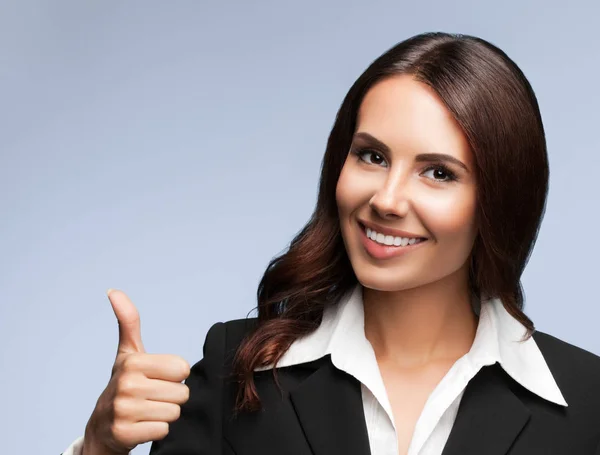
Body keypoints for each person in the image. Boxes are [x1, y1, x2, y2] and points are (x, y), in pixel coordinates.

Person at [62, 32, 600, 455]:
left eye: (437, 172)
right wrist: (100, 449)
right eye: (372, 156)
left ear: (499, 200)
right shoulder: (239, 370)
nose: (387, 199)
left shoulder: (589, 403)